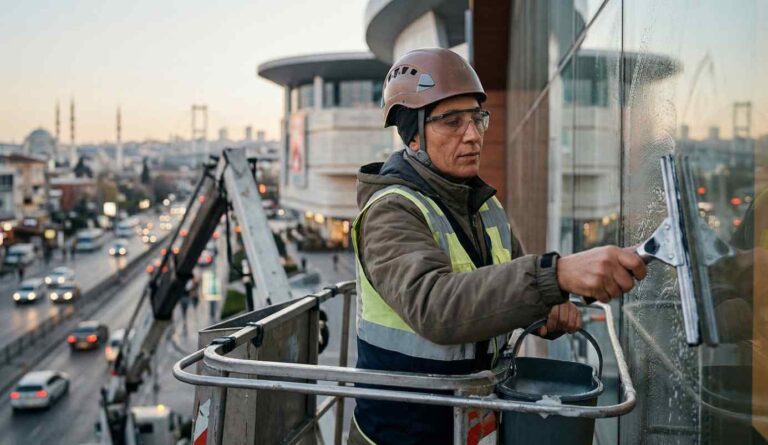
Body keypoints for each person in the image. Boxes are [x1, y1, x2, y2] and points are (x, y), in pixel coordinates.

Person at [348, 48, 647, 445]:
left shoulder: (483, 205)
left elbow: (508, 285)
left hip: (470, 421)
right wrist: (555, 275)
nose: (473, 135)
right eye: (452, 122)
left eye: (477, 118)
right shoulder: (390, 212)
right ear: (413, 135)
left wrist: (545, 307)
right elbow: (435, 306)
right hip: (402, 432)